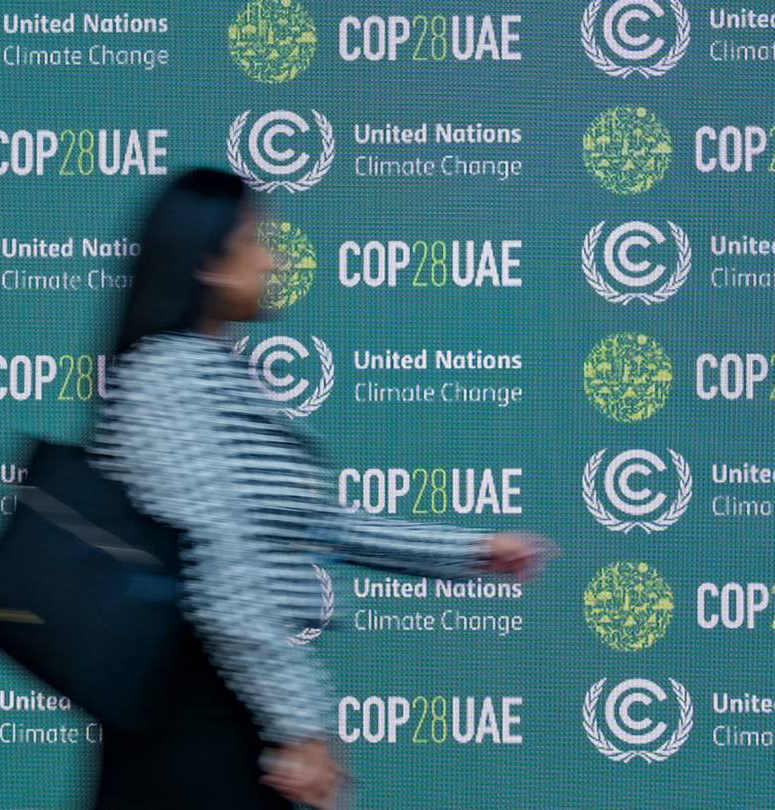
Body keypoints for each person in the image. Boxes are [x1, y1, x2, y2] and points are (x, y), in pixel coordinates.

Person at [83, 168, 553, 809]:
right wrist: (298, 724)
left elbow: (311, 524)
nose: (274, 259)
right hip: (194, 716)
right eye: (256, 240)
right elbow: (221, 567)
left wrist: (471, 551)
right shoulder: (173, 378)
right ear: (207, 263)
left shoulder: (210, 375)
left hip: (218, 708)